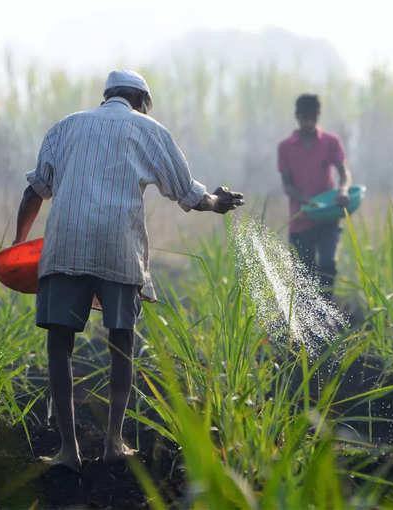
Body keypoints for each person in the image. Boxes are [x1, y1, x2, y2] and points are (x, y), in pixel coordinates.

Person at [13, 70, 244, 470]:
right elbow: (186, 191)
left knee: (60, 344)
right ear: (143, 101)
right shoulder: (149, 129)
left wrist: (18, 246)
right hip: (118, 246)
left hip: (65, 243)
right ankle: (114, 442)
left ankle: (69, 451)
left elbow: (35, 190)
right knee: (122, 340)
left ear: (106, 97)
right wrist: (215, 201)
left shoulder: (64, 127)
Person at [277, 94, 352, 295]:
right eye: (304, 118)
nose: (308, 123)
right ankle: (308, 323)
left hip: (327, 219)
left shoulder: (330, 142)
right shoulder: (285, 147)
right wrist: (307, 201)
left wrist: (343, 190)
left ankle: (328, 313)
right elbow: (287, 186)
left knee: (328, 267)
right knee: (304, 277)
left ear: (318, 116)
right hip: (300, 220)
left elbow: (344, 173)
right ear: (297, 117)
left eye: (312, 117)